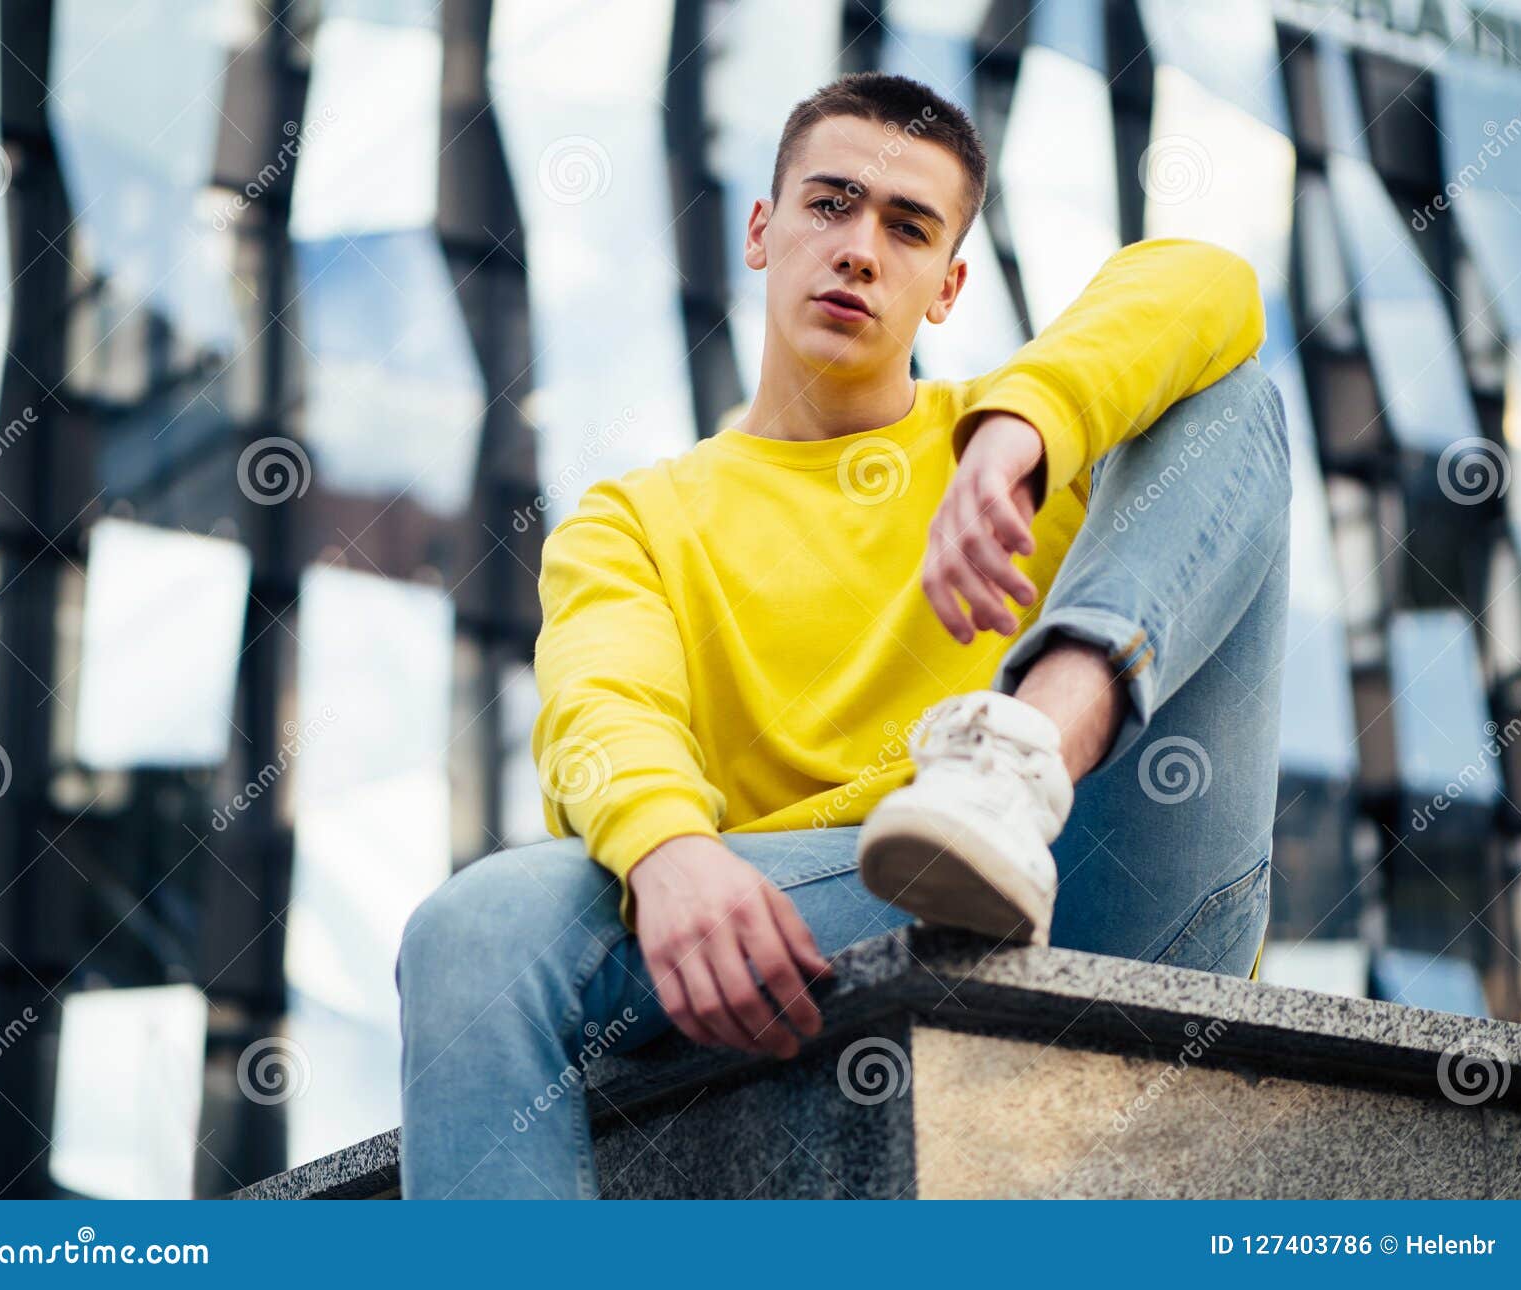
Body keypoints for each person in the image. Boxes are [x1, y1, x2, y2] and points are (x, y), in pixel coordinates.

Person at [396, 70, 1291, 1199]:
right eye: (830, 205)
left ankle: (1014, 768)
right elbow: (601, 705)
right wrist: (666, 847)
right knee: (474, 927)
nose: (861, 247)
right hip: (840, 912)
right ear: (763, 231)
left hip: (1109, 877)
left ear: (949, 286)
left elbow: (1204, 278)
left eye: (907, 227)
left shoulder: (1019, 456)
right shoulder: (637, 520)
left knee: (1229, 393)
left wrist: (1024, 424)